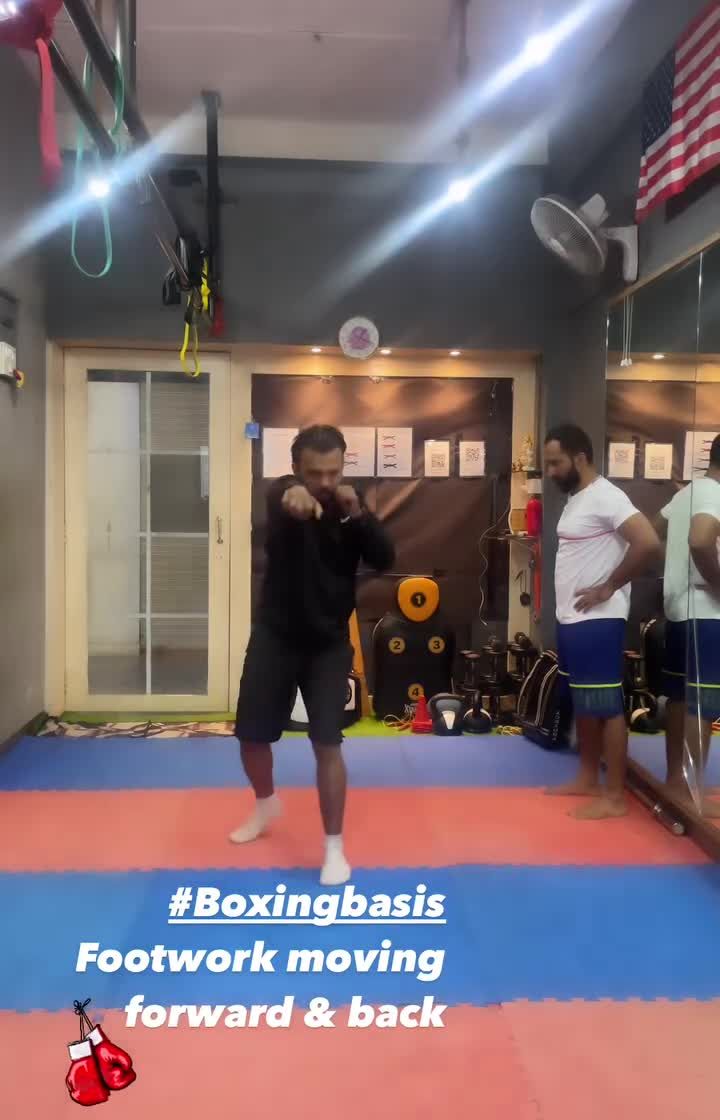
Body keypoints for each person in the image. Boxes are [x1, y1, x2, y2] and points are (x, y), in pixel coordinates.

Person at [230, 424, 395, 885]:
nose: (324, 482)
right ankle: (266, 803)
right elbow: (283, 496)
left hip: (328, 644)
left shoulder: (350, 506)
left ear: (343, 467)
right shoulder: (282, 496)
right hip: (276, 636)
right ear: (296, 467)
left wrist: (358, 514)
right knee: (251, 736)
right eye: (314, 473)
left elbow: (385, 558)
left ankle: (334, 849)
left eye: (333, 472)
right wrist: (294, 494)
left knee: (327, 742)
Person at [543, 424, 661, 819]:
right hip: (573, 619)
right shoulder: (578, 498)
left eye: (556, 463)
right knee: (584, 701)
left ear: (580, 458)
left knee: (607, 706)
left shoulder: (607, 496)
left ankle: (614, 797)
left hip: (598, 621)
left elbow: (647, 541)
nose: (550, 471)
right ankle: (588, 777)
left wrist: (610, 586)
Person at [653, 434, 720, 816]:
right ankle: (695, 795)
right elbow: (701, 541)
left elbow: (653, 532)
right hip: (707, 612)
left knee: (680, 697)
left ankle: (675, 781)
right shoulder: (715, 494)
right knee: (703, 702)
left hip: (679, 609)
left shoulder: (687, 494)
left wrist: (675, 567)